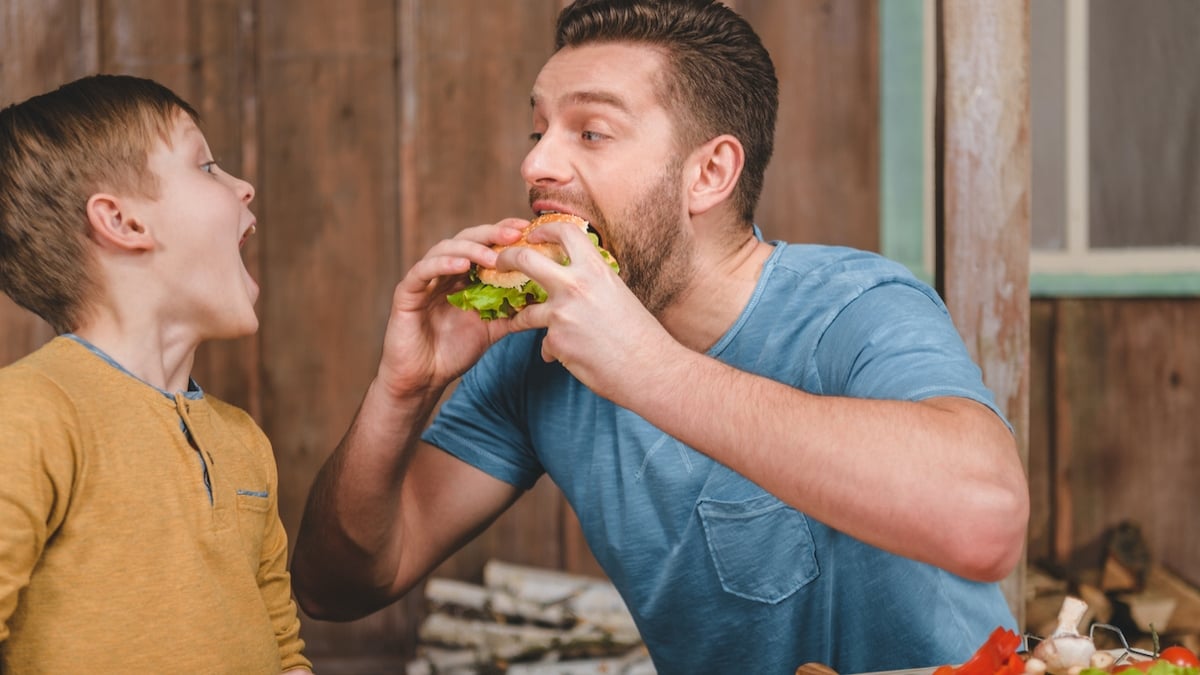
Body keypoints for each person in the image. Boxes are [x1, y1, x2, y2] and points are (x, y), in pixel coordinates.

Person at [290, 0, 1030, 671]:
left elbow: (986, 523)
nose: (536, 164)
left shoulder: (856, 305)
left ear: (709, 173)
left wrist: (645, 366)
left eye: (591, 131)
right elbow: (338, 584)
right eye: (538, 129)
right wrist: (403, 389)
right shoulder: (533, 355)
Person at [0, 75, 310, 673]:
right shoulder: (31, 413)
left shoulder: (244, 443)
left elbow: (283, 650)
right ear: (123, 222)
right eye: (207, 166)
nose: (244, 186)